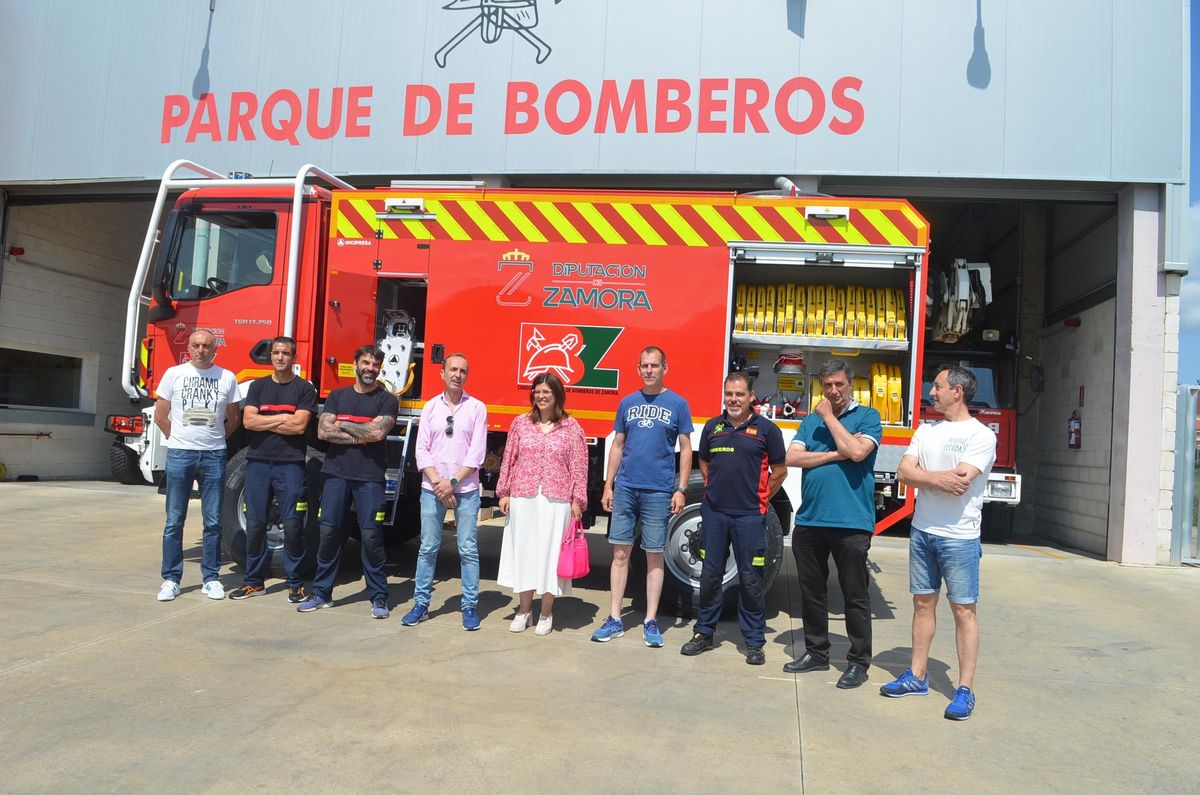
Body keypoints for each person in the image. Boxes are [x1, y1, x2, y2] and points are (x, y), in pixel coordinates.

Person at [882, 364, 996, 721]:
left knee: (963, 611)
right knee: (921, 604)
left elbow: (960, 482)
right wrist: (935, 478)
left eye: (938, 386)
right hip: (923, 532)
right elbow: (903, 472)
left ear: (958, 391)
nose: (932, 392)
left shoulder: (981, 436)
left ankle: (964, 689)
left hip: (960, 537)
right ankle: (917, 676)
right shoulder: (926, 430)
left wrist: (922, 476)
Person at [783, 360, 882, 689]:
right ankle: (816, 652)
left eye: (839, 384)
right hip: (810, 520)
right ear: (821, 387)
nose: (834, 391)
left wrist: (829, 418)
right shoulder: (809, 422)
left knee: (855, 594)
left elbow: (856, 452)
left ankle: (858, 662)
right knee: (811, 592)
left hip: (851, 521)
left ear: (851, 384)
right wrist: (833, 454)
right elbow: (793, 458)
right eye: (827, 386)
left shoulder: (868, 417)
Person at [681, 372, 786, 665]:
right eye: (729, 394)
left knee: (751, 579)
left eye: (739, 394)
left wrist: (760, 498)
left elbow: (779, 471)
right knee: (711, 576)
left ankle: (754, 641)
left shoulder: (767, 430)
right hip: (714, 514)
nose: (733, 399)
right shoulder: (714, 427)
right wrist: (714, 491)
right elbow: (705, 462)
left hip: (750, 518)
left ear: (751, 396)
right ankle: (703, 633)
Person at [592, 346, 693, 648]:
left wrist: (681, 488)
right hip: (625, 488)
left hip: (659, 490)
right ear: (638, 369)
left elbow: (686, 448)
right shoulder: (627, 403)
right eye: (644, 366)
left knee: (654, 554)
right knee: (620, 554)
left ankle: (650, 621)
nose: (649, 370)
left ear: (665, 368)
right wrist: (608, 485)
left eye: (655, 365)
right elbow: (618, 445)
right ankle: (614, 619)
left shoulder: (678, 404)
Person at [296, 345, 398, 618]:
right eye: (365, 363)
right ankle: (321, 593)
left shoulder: (388, 400)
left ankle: (378, 598)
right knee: (329, 533)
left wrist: (342, 425)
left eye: (375, 365)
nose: (370, 368)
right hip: (336, 475)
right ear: (355, 364)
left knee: (371, 537)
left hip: (370, 478)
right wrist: (360, 434)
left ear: (380, 368)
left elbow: (377, 432)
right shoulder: (338, 396)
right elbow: (322, 430)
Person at [495, 373, 588, 636]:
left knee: (550, 555)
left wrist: (577, 500)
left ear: (557, 394)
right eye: (537, 391)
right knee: (524, 552)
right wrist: (504, 492)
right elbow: (509, 459)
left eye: (546, 391)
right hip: (523, 496)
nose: (541, 396)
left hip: (556, 498)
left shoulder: (572, 428)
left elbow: (579, 468)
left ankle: (546, 612)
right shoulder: (520, 424)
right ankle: (524, 610)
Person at [401, 354, 488, 631]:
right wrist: (440, 484)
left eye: (463, 370)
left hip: (466, 490)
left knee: (468, 550)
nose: (457, 375)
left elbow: (477, 453)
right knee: (427, 548)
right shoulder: (430, 408)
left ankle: (470, 606)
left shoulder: (477, 408)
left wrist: (452, 482)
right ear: (442, 373)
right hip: (432, 488)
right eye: (453, 369)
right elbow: (421, 450)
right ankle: (421, 604)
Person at [228, 336, 317, 603]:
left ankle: (295, 583)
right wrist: (282, 418)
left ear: (294, 357)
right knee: (255, 525)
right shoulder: (258, 386)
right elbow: (248, 421)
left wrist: (266, 419)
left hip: (290, 465)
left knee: (292, 526)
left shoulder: (304, 389)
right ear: (271, 357)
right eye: (276, 353)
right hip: (258, 463)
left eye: (286, 353)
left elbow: (299, 426)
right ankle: (254, 582)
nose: (280, 358)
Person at [154, 329, 241, 601]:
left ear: (215, 349)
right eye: (196, 345)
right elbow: (160, 415)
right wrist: (178, 439)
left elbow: (234, 418)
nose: (201, 350)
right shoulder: (173, 374)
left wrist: (216, 440)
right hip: (180, 454)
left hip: (214, 456)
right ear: (189, 348)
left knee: (213, 521)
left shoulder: (227, 377)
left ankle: (211, 578)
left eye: (206, 345)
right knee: (174, 520)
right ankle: (170, 579)